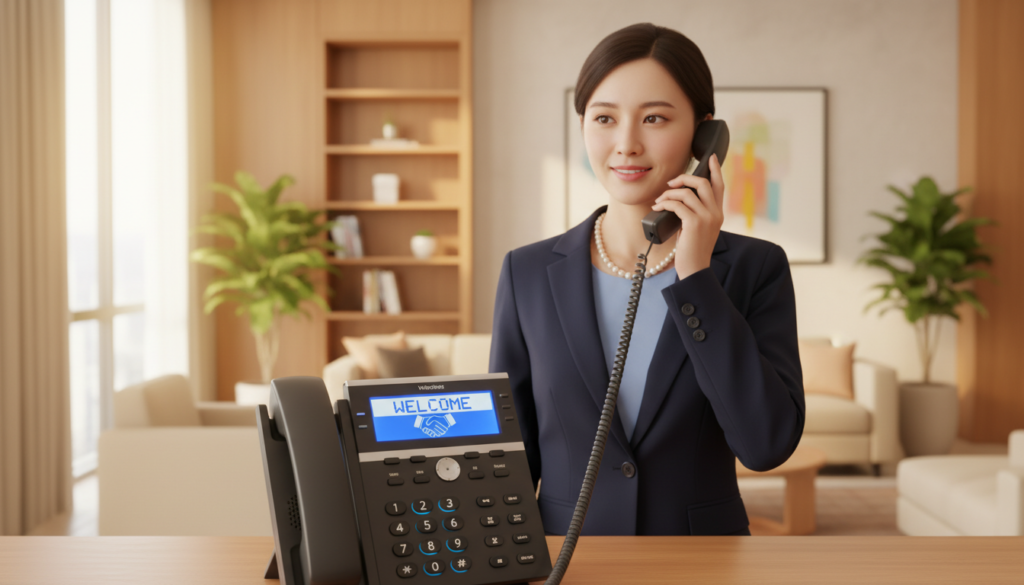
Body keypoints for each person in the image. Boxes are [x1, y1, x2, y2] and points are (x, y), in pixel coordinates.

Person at [489, 23, 804, 536]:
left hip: (704, 564)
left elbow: (766, 445)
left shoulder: (755, 269)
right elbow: (512, 458)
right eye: (604, 118)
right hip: (569, 562)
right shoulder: (526, 272)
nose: (626, 144)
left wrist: (697, 277)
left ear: (705, 134)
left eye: (654, 117)